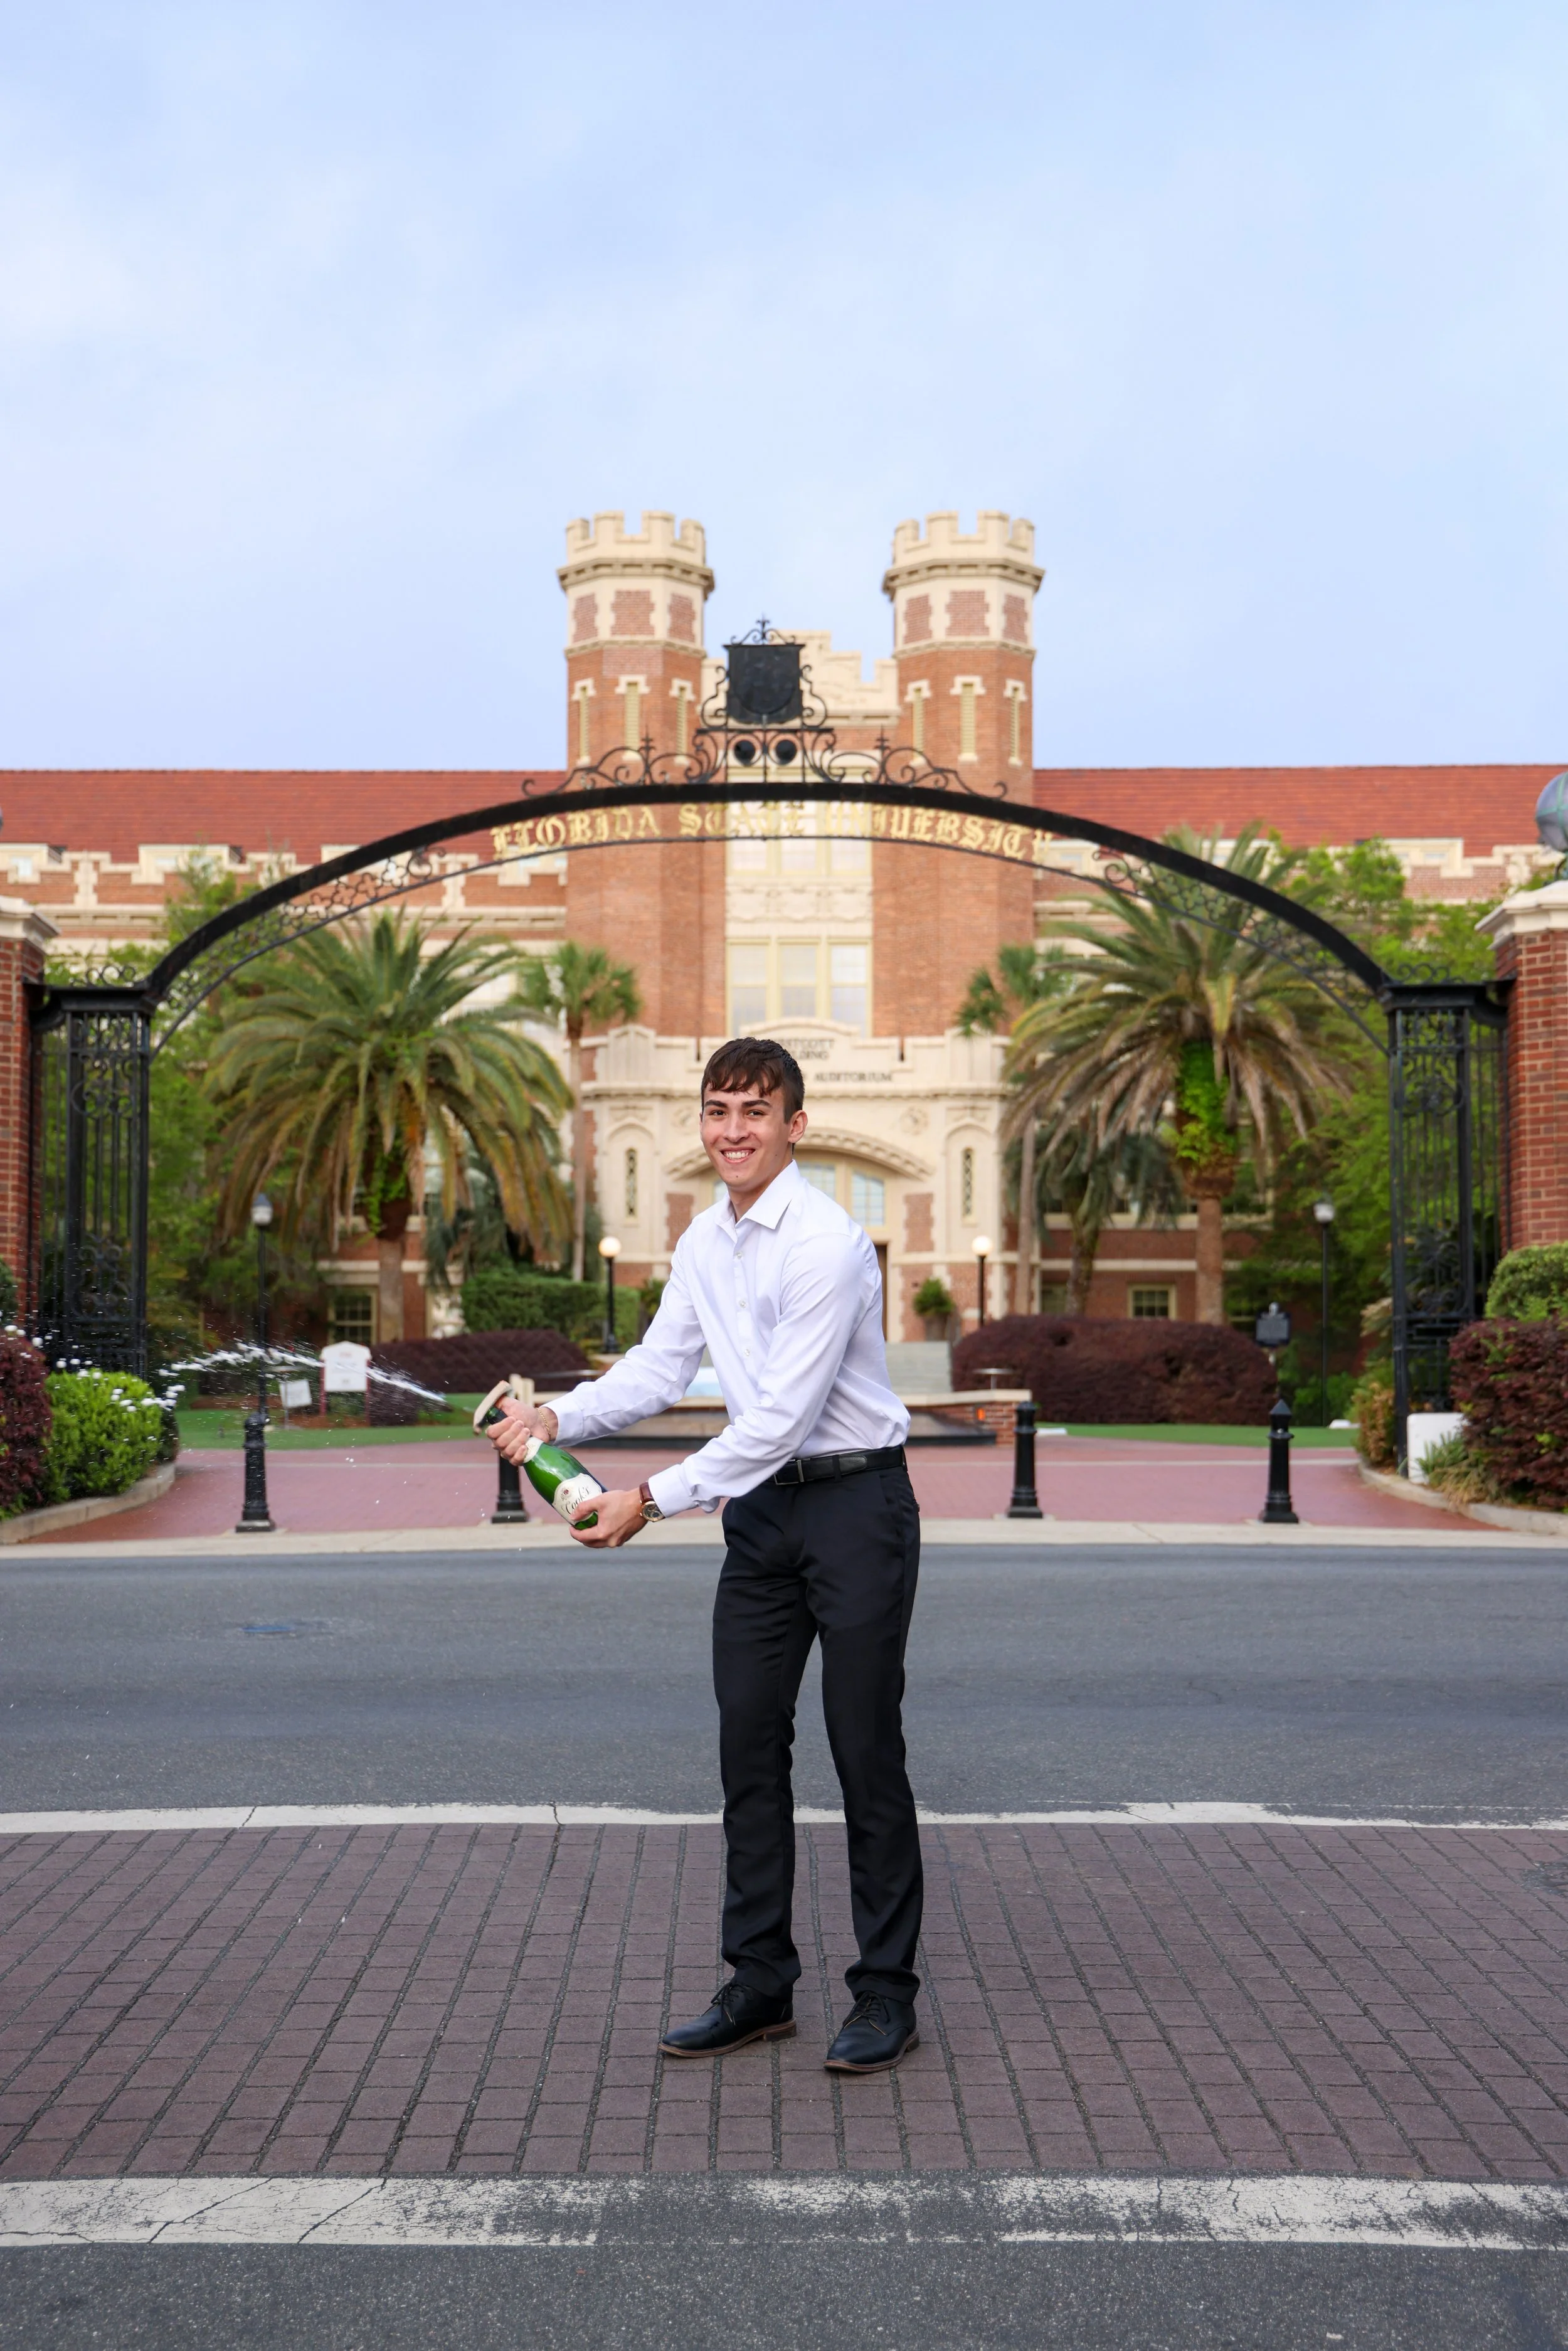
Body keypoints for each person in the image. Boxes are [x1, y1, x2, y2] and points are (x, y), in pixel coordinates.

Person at [487, 1035, 923, 2074]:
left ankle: (887, 1995)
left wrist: (648, 1499)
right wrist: (555, 1418)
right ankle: (760, 1981)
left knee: (865, 1753)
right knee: (748, 1751)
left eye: (755, 1113)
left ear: (795, 1127)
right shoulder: (702, 1239)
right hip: (764, 1521)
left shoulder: (828, 1242)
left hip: (858, 1507)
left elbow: (776, 1420)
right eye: (718, 1110)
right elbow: (658, 1366)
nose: (733, 1131)